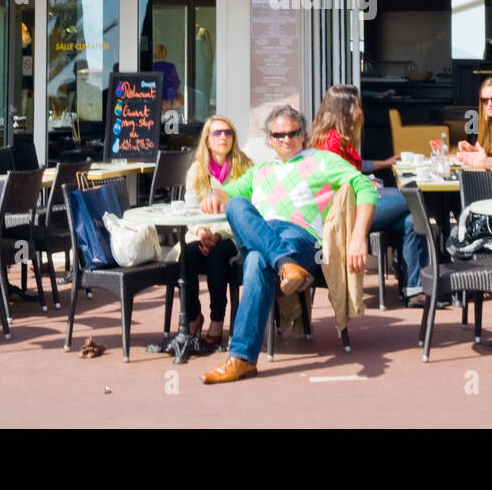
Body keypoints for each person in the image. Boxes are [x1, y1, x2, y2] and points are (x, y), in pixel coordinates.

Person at [197, 105, 377, 384]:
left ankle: (241, 359)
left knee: (257, 260)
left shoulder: (323, 160)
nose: (285, 139)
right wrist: (213, 193)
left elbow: (363, 186)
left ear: (303, 135)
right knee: (236, 204)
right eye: (278, 135)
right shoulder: (260, 171)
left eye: (292, 133)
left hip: (302, 238)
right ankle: (285, 264)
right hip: (267, 236)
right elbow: (226, 193)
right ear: (269, 139)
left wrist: (358, 236)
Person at [308, 83, 427, 302]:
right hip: (345, 213)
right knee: (412, 197)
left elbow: (357, 164)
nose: (361, 112)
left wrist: (385, 163)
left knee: (412, 220)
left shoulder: (338, 138)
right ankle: (430, 277)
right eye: (356, 107)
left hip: (355, 204)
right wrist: (361, 183)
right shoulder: (330, 143)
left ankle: (414, 291)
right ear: (342, 109)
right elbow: (332, 183)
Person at [180, 114, 253, 347]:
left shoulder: (246, 168)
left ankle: (217, 319)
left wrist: (218, 235)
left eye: (228, 132)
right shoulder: (196, 170)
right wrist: (202, 232)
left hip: (232, 236)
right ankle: (192, 317)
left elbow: (248, 211)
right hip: (200, 234)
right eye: (217, 133)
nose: (223, 137)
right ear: (207, 140)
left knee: (218, 254)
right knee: (187, 255)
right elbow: (190, 211)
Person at [457, 76, 492, 159]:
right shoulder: (487, 123)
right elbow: (489, 154)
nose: (489, 104)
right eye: (485, 100)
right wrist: (472, 150)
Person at [153, 43, 183, 115]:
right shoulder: (171, 66)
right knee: (169, 122)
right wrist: (179, 95)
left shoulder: (152, 67)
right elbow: (176, 84)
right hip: (170, 99)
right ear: (165, 53)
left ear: (155, 53)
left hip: (156, 98)